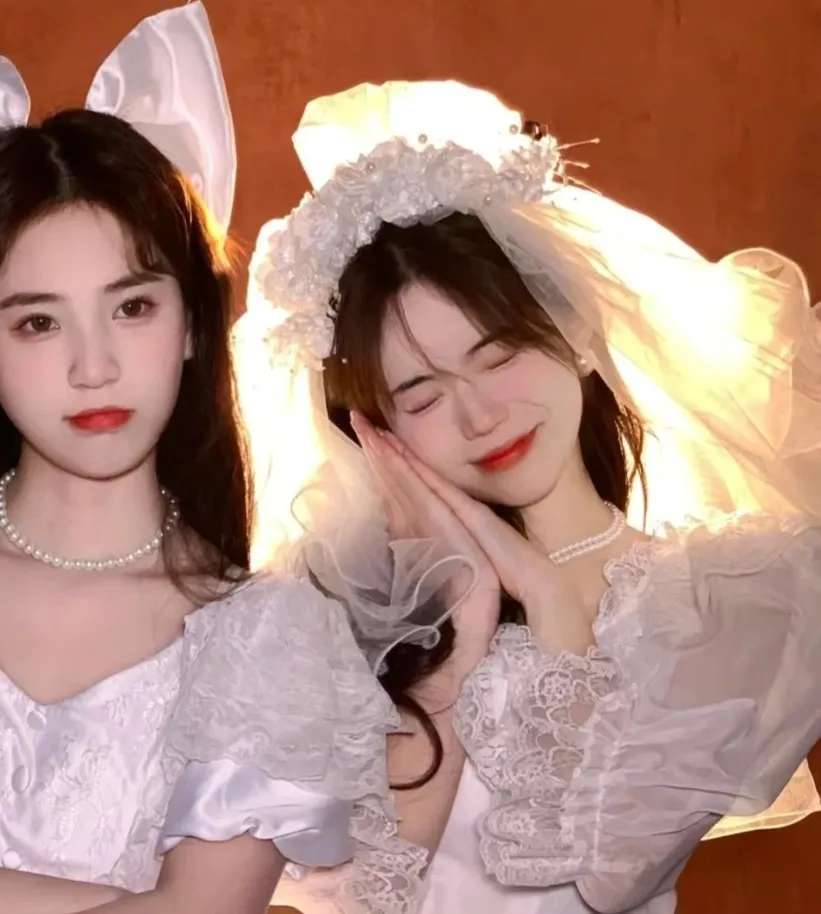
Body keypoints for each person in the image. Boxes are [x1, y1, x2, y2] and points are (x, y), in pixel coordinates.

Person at [241, 81, 821, 913]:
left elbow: (609, 876)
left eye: (498, 354)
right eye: (422, 395)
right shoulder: (341, 618)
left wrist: (545, 595)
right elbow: (354, 895)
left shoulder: (728, 594)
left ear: (575, 331)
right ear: (375, 431)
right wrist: (467, 617)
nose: (480, 415)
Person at [0, 10, 398, 914]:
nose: (93, 367)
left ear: (191, 324)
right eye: (37, 321)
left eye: (132, 307)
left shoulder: (266, 633)